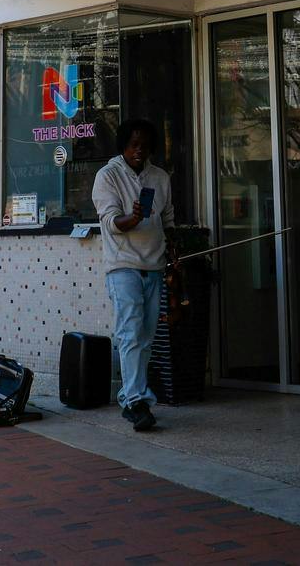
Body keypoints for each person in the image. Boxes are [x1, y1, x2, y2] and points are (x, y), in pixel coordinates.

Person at [92, 117, 173, 432]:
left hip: (154, 265)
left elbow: (168, 220)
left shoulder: (160, 178)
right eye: (133, 144)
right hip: (122, 265)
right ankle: (136, 401)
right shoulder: (107, 176)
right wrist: (133, 217)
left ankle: (133, 396)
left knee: (146, 337)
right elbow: (111, 222)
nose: (139, 150)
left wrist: (173, 255)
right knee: (129, 334)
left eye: (144, 145)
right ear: (123, 145)